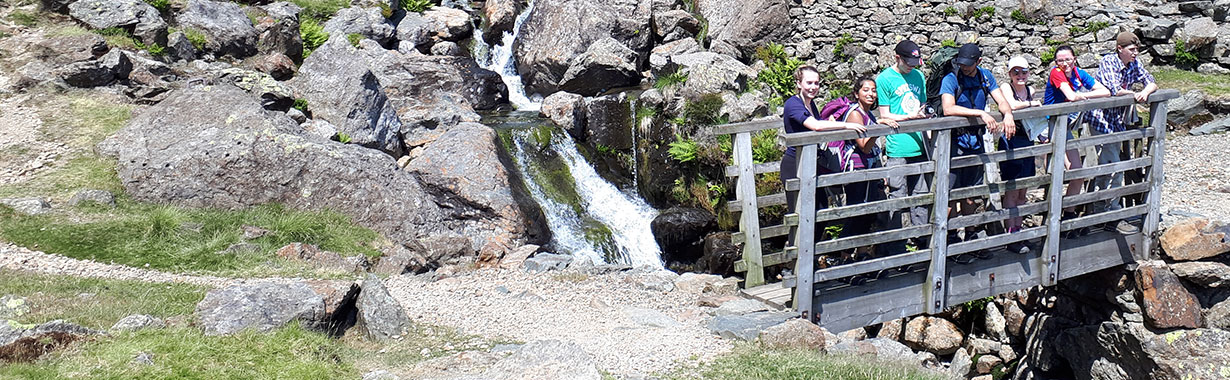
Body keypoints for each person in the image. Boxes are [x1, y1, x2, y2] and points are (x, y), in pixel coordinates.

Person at [938, 43, 1017, 261]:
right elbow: (948, 108)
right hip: (955, 142)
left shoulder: (985, 77)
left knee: (971, 193)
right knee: (950, 194)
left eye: (969, 65)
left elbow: (1001, 101)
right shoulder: (951, 79)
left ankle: (972, 237)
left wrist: (1008, 115)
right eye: (962, 64)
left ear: (978, 62)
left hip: (976, 143)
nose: (964, 68)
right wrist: (980, 113)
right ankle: (950, 239)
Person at [781, 65, 867, 247]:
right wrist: (846, 125)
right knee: (798, 214)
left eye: (816, 83)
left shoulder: (810, 104)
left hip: (811, 163)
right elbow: (815, 126)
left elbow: (819, 124)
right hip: (794, 164)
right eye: (809, 83)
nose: (813, 87)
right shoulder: (793, 104)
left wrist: (831, 123)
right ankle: (792, 264)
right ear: (798, 83)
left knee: (820, 210)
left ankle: (808, 257)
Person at [1087, 31, 1158, 234]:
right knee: (1113, 165)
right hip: (1101, 119)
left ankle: (1101, 212)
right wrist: (1135, 94)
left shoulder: (1134, 63)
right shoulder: (1109, 61)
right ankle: (1112, 214)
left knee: (1109, 164)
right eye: (1132, 50)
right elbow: (1114, 89)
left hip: (1117, 119)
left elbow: (1151, 81)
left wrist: (1145, 92)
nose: (1135, 53)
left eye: (1136, 50)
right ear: (1120, 49)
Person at [1043, 45, 1110, 238]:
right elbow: (1070, 96)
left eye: (1067, 59)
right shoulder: (1056, 73)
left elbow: (1104, 91)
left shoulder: (1079, 73)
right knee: (1063, 174)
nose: (1064, 64)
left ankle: (1068, 216)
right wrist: (1080, 96)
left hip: (1065, 128)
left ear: (1074, 59)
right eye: (1060, 60)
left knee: (1077, 173)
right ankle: (1055, 220)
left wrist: (1083, 95)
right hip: (1052, 127)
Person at [876, 40, 930, 255]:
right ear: (896, 57)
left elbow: (923, 105)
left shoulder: (918, 76)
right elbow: (884, 114)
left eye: (915, 62)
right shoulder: (885, 79)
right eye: (908, 62)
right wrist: (909, 117)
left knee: (921, 196)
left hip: (919, 144)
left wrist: (925, 116)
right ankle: (895, 246)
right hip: (898, 146)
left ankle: (922, 244)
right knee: (897, 196)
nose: (912, 66)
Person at [838, 76, 898, 260]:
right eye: (866, 90)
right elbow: (864, 145)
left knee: (868, 213)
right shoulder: (855, 113)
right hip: (857, 170)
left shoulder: (868, 113)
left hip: (870, 169)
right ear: (856, 93)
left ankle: (862, 253)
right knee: (857, 213)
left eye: (873, 90)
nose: (871, 94)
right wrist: (877, 126)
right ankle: (844, 256)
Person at [998, 56, 1044, 254]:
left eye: (1023, 72)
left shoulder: (1030, 91)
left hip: (1027, 140)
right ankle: (1011, 233)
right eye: (1015, 72)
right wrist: (1033, 104)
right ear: (1010, 74)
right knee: (1011, 189)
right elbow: (1011, 106)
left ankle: (1020, 228)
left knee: (1023, 190)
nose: (1020, 75)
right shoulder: (1006, 88)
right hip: (1011, 140)